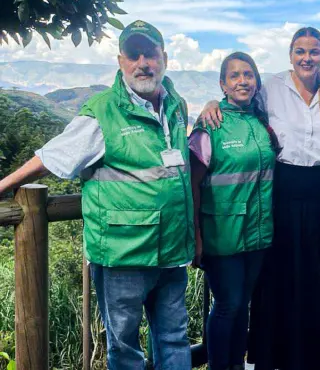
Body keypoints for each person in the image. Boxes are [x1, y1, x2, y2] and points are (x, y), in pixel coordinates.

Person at [0, 21, 194, 370]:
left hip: (172, 251)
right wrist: (2, 185)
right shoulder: (102, 112)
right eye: (132, 55)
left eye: (149, 53)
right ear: (120, 61)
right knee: (125, 349)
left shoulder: (174, 104)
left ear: (164, 57)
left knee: (174, 339)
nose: (142, 63)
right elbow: (52, 156)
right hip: (123, 256)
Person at [199, 26, 320, 370]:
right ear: (290, 55)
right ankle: (271, 356)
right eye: (300, 51)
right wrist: (211, 104)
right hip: (281, 190)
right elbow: (241, 108)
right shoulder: (272, 88)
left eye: (313, 52)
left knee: (315, 275)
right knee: (276, 276)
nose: (307, 58)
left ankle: (310, 356)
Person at [188, 52, 278, 370]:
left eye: (249, 74)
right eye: (235, 75)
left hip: (257, 232)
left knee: (243, 307)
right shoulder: (211, 124)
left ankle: (236, 366)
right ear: (223, 84)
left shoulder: (260, 122)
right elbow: (192, 184)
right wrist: (195, 235)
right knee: (228, 305)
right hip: (221, 234)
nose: (243, 80)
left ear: (256, 81)